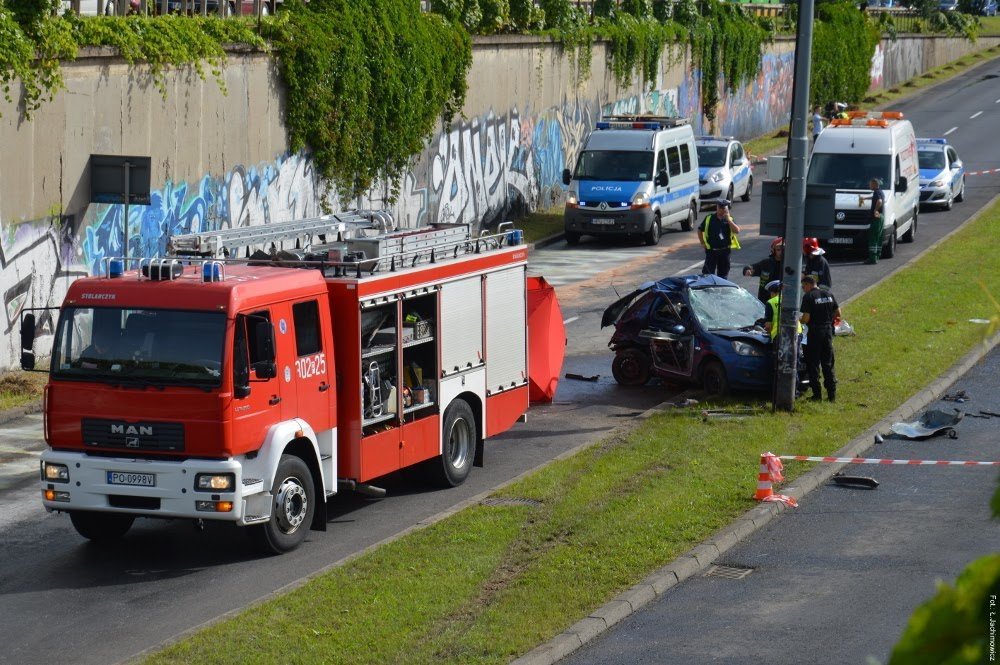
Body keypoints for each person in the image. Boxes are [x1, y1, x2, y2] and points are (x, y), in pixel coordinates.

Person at [799, 275, 841, 402]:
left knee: (813, 363)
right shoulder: (828, 294)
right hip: (827, 331)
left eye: (803, 287)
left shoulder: (809, 297)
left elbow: (806, 318)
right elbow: (838, 313)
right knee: (828, 363)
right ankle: (831, 395)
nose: (803, 289)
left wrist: (798, 320)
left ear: (808, 284)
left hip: (814, 332)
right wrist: (828, 319)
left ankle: (817, 395)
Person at [698, 199, 741, 279]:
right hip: (712, 251)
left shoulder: (730, 219)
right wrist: (702, 243)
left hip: (725, 251)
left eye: (725, 208)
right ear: (717, 208)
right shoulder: (709, 218)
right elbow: (700, 230)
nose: (722, 210)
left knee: (723, 276)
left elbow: (737, 230)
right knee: (707, 275)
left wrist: (728, 220)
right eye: (721, 208)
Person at [743, 237, 784, 302]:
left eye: (783, 250)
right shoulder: (766, 263)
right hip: (765, 300)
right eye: (778, 250)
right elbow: (751, 267)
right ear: (774, 250)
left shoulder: (790, 265)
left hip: (782, 301)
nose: (781, 252)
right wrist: (748, 270)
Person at [862, 177, 885, 264]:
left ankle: (872, 258)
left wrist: (875, 210)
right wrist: (865, 198)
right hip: (881, 217)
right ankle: (877, 255)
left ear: (875, 184)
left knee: (873, 238)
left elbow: (879, 201)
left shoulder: (876, 192)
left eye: (870, 184)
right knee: (878, 237)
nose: (869, 186)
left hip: (876, 218)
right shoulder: (880, 192)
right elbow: (876, 198)